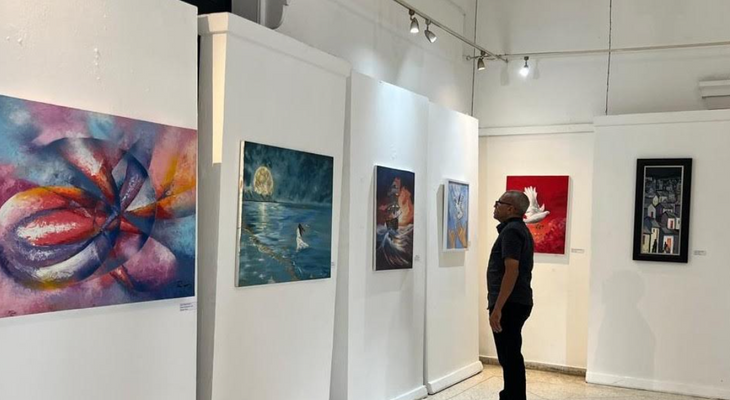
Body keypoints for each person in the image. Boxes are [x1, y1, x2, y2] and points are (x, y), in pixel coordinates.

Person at [487, 190, 535, 400]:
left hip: (510, 303)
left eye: (498, 203)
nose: (495, 206)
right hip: (516, 301)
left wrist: (498, 307)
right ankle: (511, 395)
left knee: (510, 356)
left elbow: (511, 270)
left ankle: (513, 397)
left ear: (511, 209)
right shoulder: (517, 230)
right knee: (510, 354)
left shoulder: (512, 231)